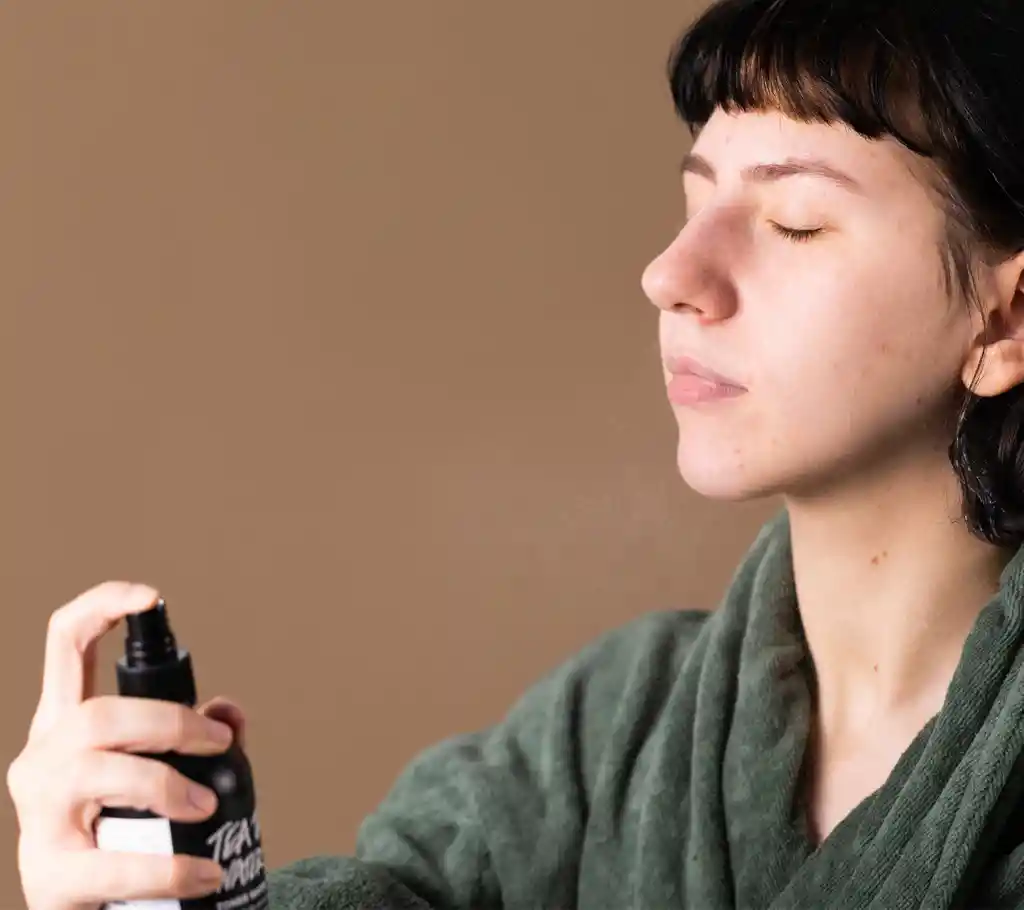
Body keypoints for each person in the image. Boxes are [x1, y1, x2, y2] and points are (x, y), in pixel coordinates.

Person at [12, 0, 1024, 907]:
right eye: (693, 206)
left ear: (1006, 318)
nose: (669, 274)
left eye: (793, 223)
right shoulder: (611, 726)